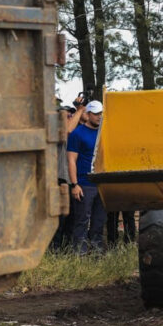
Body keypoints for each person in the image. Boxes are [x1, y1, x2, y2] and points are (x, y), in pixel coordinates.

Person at [67, 100, 106, 253]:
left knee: (99, 221)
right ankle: (80, 255)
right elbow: (71, 160)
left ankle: (97, 254)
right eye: (96, 113)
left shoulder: (104, 132)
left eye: (101, 113)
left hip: (102, 184)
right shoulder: (78, 133)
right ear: (88, 114)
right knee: (82, 221)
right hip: (84, 183)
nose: (99, 116)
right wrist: (75, 184)